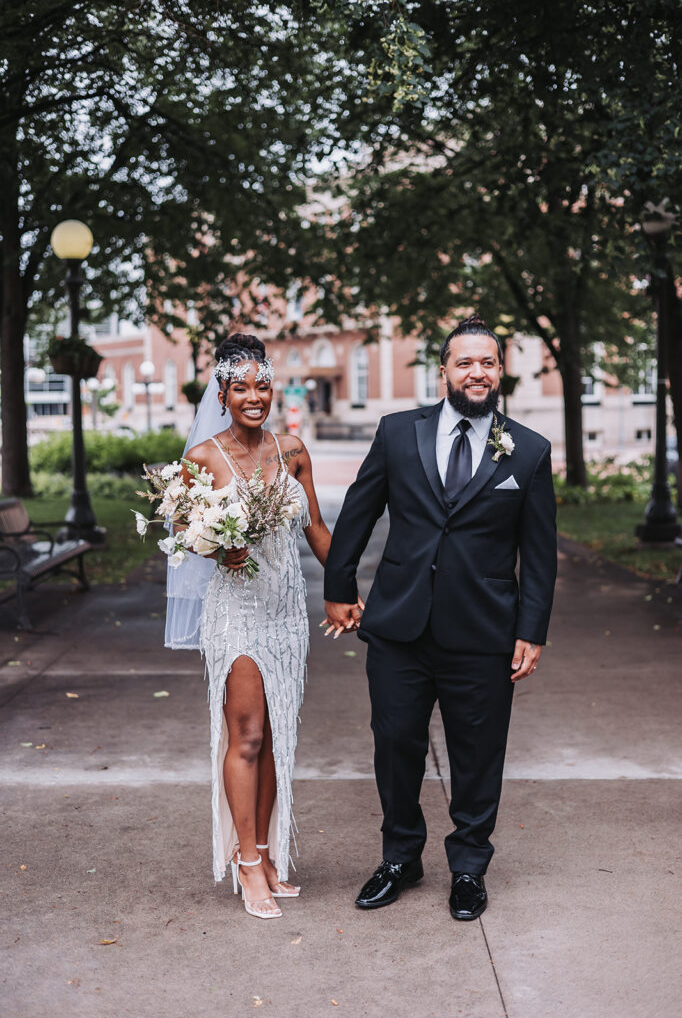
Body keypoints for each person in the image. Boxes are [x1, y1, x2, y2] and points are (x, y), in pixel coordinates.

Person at [323, 314, 557, 921]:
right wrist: (338, 585)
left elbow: (538, 550)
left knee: (478, 752)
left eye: (487, 362)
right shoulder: (398, 433)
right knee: (395, 744)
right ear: (444, 370)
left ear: (500, 370)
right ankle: (401, 857)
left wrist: (532, 628)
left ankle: (470, 867)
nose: (476, 372)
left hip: (483, 632)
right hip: (400, 626)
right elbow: (359, 509)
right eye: (464, 362)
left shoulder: (528, 450)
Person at [168, 332, 337, 920]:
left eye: (262, 386)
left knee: (277, 741)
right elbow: (185, 536)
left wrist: (346, 587)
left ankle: (265, 855)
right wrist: (219, 550)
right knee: (247, 737)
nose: (253, 396)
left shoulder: (291, 450)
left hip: (287, 613)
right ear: (222, 392)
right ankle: (245, 864)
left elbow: (315, 528)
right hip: (236, 612)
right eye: (240, 387)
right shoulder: (202, 459)